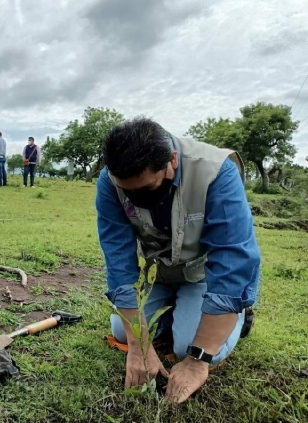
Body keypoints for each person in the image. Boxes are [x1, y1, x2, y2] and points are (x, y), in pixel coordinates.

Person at [96, 117, 260, 403]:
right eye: (128, 192)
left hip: (202, 274)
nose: (135, 199)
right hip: (159, 273)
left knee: (190, 348)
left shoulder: (216, 171)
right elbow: (118, 262)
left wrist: (197, 361)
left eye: (146, 189)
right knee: (121, 333)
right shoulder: (110, 181)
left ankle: (237, 315)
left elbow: (232, 260)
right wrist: (139, 345)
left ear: (171, 160)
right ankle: (179, 310)